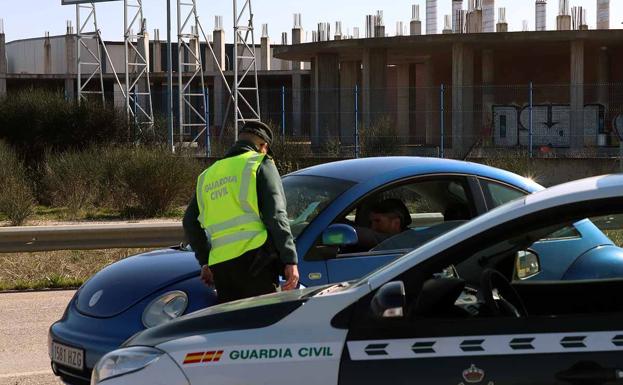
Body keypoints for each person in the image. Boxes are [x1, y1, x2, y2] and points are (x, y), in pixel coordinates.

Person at [183, 121, 299, 303]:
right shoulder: (260, 163)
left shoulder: (208, 175)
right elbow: (276, 215)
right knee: (263, 324)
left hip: (222, 268)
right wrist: (290, 259)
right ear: (263, 146)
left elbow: (189, 222)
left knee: (233, 327)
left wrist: (206, 260)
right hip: (256, 262)